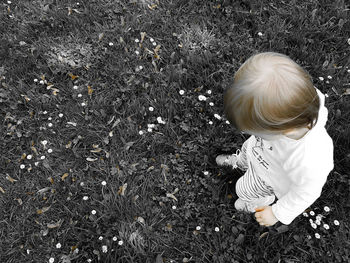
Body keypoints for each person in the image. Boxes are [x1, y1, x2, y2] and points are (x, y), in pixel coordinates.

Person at [216, 52, 334, 226]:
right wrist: (258, 137)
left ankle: (256, 201)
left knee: (242, 188)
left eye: (256, 131)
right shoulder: (297, 105)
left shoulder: (309, 158)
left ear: (284, 130)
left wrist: (277, 212)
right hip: (260, 152)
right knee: (248, 148)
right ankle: (240, 162)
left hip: (268, 176)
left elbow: (306, 192)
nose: (249, 133)